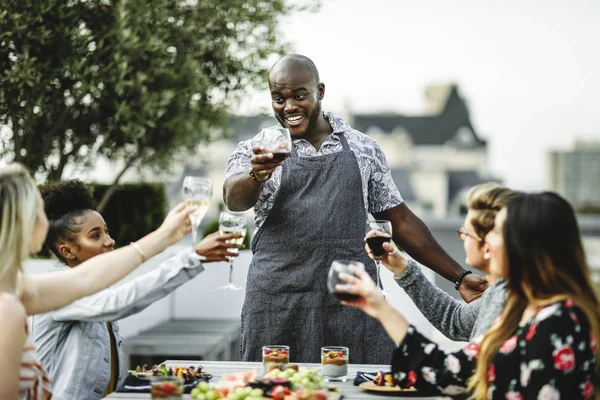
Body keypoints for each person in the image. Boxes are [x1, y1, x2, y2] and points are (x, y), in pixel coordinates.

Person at [222, 53, 487, 363]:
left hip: (352, 301)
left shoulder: (363, 148)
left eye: (299, 95)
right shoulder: (257, 151)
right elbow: (233, 198)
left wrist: (458, 276)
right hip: (278, 302)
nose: (289, 106)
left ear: (319, 91)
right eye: (278, 98)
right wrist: (257, 173)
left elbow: (400, 220)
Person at [338, 192, 600, 399]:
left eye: (496, 231)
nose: (486, 243)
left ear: (524, 244)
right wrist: (380, 304)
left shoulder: (561, 321)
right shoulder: (522, 308)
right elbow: (448, 371)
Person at [29, 180, 243, 400]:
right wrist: (192, 257)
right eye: (96, 235)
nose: (110, 241)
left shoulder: (94, 287)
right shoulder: (58, 287)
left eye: (106, 232)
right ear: (68, 250)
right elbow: (119, 302)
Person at [0, 164, 194, 400]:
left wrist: (165, 237)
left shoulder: (19, 288)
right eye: (40, 211)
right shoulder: (10, 305)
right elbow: (110, 297)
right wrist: (183, 251)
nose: (47, 218)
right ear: (24, 221)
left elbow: (88, 279)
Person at [366, 183, 521, 342]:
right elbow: (455, 321)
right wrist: (402, 268)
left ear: (488, 246)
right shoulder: (504, 291)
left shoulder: (506, 299)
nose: (462, 237)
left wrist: (381, 310)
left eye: (465, 232)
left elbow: (452, 364)